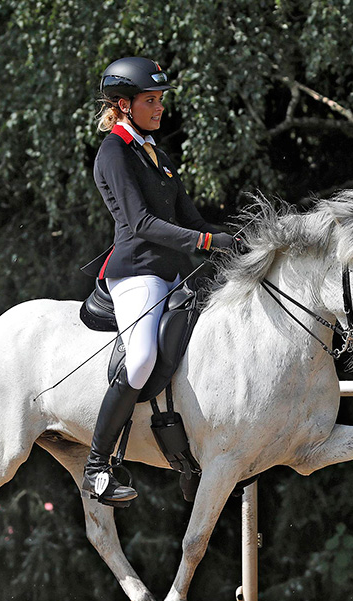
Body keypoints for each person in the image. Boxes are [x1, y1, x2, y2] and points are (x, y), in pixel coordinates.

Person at [82, 56, 234, 505]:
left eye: (160, 99)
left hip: (170, 273)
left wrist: (236, 239)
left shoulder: (156, 154)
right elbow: (142, 222)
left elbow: (188, 217)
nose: (160, 107)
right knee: (143, 357)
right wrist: (206, 240)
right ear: (125, 105)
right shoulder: (113, 154)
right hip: (136, 273)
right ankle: (96, 466)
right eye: (151, 100)